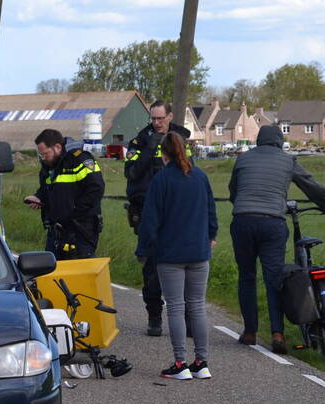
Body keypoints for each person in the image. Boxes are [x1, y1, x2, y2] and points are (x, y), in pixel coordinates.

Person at [229, 124, 325, 353]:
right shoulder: (288, 160)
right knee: (274, 279)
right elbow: (311, 186)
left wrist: (245, 209)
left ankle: (250, 332)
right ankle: (277, 334)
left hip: (242, 221)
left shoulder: (242, 160)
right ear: (280, 141)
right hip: (272, 223)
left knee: (247, 277)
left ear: (258, 141)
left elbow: (234, 192)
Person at [136, 131, 217, 380]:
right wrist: (211, 236)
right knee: (197, 306)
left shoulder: (161, 180)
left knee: (175, 307)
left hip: (170, 254)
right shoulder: (200, 177)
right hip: (199, 252)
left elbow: (150, 220)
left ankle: (180, 362)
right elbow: (211, 211)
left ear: (164, 154)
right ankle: (201, 362)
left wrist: (144, 249)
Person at [125, 100, 192, 336]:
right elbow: (131, 172)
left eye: (160, 118)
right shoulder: (139, 141)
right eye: (153, 119)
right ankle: (154, 317)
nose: (156, 123)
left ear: (170, 116)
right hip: (147, 213)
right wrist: (148, 148)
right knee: (152, 268)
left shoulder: (180, 138)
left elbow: (189, 169)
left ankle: (188, 320)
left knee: (183, 265)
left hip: (177, 213)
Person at [24, 129, 104, 259]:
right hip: (57, 231)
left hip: (80, 230)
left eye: (45, 154)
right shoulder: (49, 166)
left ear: (57, 147)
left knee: (79, 272)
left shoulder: (79, 159)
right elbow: (47, 188)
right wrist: (38, 197)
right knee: (52, 270)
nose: (43, 158)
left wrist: (73, 213)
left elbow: (96, 188)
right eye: (41, 155)